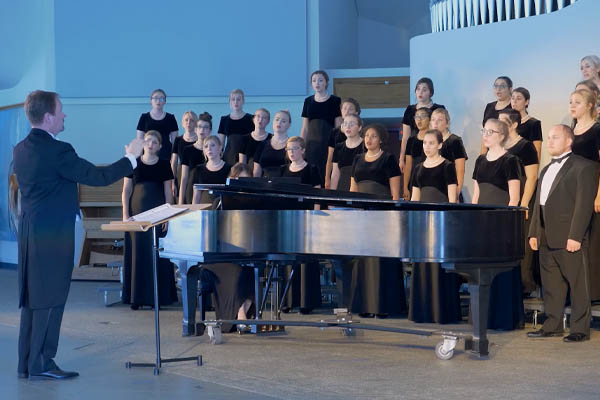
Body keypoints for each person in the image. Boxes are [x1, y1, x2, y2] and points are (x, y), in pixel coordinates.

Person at [14, 90, 143, 380]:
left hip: (30, 233)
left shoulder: (20, 149)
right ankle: (43, 363)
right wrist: (131, 158)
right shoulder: (58, 151)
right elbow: (97, 177)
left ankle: (27, 362)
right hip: (53, 236)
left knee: (33, 298)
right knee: (51, 297)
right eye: (61, 111)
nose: (64, 115)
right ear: (48, 117)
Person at [527, 125, 599, 342]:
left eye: (555, 137)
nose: (549, 142)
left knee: (578, 285)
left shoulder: (584, 167)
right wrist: (534, 233)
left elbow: (584, 205)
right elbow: (539, 204)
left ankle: (580, 329)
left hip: (570, 236)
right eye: (548, 138)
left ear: (569, 141)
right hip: (547, 236)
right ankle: (553, 324)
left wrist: (576, 236)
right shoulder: (546, 169)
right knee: (551, 285)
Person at [348, 124, 406, 317]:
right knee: (363, 260)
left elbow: (395, 193)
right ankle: (364, 305)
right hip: (362, 215)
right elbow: (353, 189)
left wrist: (392, 214)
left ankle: (383, 306)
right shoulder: (357, 158)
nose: (368, 139)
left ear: (381, 139)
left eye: (373, 136)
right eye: (366, 136)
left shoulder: (388, 159)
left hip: (381, 214)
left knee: (382, 260)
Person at [473, 119, 523, 330]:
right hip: (481, 222)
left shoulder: (511, 160)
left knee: (500, 270)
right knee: (482, 271)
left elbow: (514, 197)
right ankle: (483, 317)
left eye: (490, 131)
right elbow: (476, 193)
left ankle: (502, 318)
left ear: (501, 136)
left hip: (500, 222)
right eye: (483, 130)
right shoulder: (480, 160)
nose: (485, 134)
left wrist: (505, 222)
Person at [409, 129, 462, 324]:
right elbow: (415, 198)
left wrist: (448, 221)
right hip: (423, 223)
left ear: (440, 145)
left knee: (440, 269)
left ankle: (442, 313)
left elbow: (451, 198)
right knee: (423, 267)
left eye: (432, 143)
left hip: (440, 224)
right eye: (425, 143)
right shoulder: (417, 168)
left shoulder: (447, 167)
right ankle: (423, 312)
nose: (427, 147)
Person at [122, 130, 178, 310]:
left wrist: (168, 215)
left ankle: (158, 297)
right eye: (147, 141)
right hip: (137, 214)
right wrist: (125, 214)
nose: (150, 144)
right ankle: (136, 298)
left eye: (154, 142)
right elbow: (126, 190)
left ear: (160, 146)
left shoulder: (164, 165)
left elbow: (169, 192)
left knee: (156, 253)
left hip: (158, 213)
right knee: (138, 253)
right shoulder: (133, 163)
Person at [199, 163, 255, 333]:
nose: (242, 182)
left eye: (246, 179)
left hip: (243, 254)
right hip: (219, 256)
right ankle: (241, 316)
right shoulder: (220, 201)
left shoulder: (255, 203)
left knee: (251, 271)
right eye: (239, 179)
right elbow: (211, 232)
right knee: (237, 271)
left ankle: (240, 315)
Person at [498, 109, 540, 293]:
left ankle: (525, 284)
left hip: (523, 198)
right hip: (504, 197)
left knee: (521, 242)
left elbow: (531, 177)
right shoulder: (498, 146)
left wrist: (523, 204)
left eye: (503, 122)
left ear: (514, 124)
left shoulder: (526, 146)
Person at [280, 136, 322, 314]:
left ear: (303, 150)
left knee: (305, 261)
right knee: (288, 259)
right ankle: (288, 300)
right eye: (289, 149)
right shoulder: (283, 170)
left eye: (295, 148)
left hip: (306, 217)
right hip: (288, 218)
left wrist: (315, 216)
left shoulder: (312, 169)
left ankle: (307, 301)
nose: (291, 152)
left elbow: (317, 195)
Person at [569, 89, 600, 302]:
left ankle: (594, 292)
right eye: (570, 102)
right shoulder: (572, 130)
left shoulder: (597, 129)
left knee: (592, 241)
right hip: (572, 192)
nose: (572, 106)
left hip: (592, 190)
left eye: (577, 102)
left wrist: (599, 194)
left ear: (589, 105)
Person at [300, 70, 342, 184]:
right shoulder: (308, 101)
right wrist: (300, 145)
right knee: (312, 173)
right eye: (314, 81)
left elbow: (338, 126)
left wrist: (337, 146)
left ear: (326, 82)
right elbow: (305, 127)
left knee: (327, 172)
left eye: (320, 80)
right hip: (311, 143)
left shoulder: (335, 100)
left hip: (328, 142)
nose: (317, 83)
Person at [399, 77, 445, 173]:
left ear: (431, 93)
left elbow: (443, 132)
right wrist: (401, 158)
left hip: (434, 146)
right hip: (415, 146)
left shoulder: (438, 108)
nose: (420, 92)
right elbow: (405, 136)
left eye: (424, 90)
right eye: (418, 89)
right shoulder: (410, 110)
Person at [430, 108, 467, 200]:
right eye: (433, 119)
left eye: (440, 120)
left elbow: (460, 169)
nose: (436, 123)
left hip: (449, 188)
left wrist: (457, 191)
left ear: (447, 123)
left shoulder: (454, 141)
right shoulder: (429, 142)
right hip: (433, 190)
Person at [325, 98, 361, 188]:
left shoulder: (362, 135)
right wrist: (327, 178)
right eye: (344, 108)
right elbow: (330, 157)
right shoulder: (335, 133)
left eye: (350, 109)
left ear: (356, 112)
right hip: (341, 171)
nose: (347, 111)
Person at [136, 88, 179, 161]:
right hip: (147, 153)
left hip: (165, 154)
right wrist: (139, 159)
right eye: (155, 98)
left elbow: (174, 142)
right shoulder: (144, 117)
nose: (158, 101)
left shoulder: (170, 118)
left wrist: (173, 159)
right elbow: (139, 140)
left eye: (161, 98)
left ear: (165, 101)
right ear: (151, 101)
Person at [179, 112, 212, 204]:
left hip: (208, 191)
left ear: (210, 131)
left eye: (205, 127)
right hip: (191, 189)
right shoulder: (187, 150)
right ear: (196, 129)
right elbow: (184, 178)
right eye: (200, 127)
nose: (202, 130)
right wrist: (180, 202)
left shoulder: (214, 150)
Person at [218, 89, 254, 165]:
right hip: (229, 155)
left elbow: (253, 139)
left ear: (243, 101)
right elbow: (221, 142)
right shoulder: (224, 119)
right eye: (233, 99)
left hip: (246, 155)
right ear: (230, 102)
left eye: (238, 99)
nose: (236, 102)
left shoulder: (251, 118)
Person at [191, 136, 232, 204]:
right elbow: (196, 196)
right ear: (204, 150)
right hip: (204, 208)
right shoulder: (198, 169)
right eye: (206, 146)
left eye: (212, 145)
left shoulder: (229, 168)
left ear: (220, 148)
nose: (209, 148)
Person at [330, 113, 365, 191]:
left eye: (352, 124)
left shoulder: (366, 145)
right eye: (345, 123)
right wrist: (331, 195)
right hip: (342, 187)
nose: (348, 126)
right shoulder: (338, 147)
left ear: (359, 128)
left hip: (361, 188)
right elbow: (335, 174)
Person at [403, 107, 431, 200]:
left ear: (430, 119)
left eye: (422, 116)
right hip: (415, 180)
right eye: (417, 117)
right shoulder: (411, 140)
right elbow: (408, 166)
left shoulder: (434, 138)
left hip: (431, 177)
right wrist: (405, 187)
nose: (419, 119)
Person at [480, 76, 512, 154]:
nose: (498, 89)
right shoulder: (489, 106)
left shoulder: (513, 107)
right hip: (489, 151)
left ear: (510, 89)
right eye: (496, 86)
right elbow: (485, 132)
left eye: (502, 86)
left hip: (507, 151)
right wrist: (482, 155)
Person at [253, 110, 290, 178]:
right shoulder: (262, 144)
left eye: (283, 121)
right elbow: (257, 171)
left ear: (289, 125)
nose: (279, 122)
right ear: (273, 122)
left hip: (284, 185)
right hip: (264, 184)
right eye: (277, 119)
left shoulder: (291, 145)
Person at [170, 111, 198, 198]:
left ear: (196, 123)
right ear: (182, 123)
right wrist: (172, 182)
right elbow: (174, 162)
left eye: (191, 120)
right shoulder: (178, 140)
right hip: (181, 174)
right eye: (186, 120)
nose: (188, 122)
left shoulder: (200, 139)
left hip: (197, 174)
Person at [511, 87, 543, 160]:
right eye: (512, 98)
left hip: (524, 165)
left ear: (526, 102)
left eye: (518, 98)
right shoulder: (507, 123)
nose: (514, 101)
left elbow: (537, 152)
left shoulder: (534, 123)